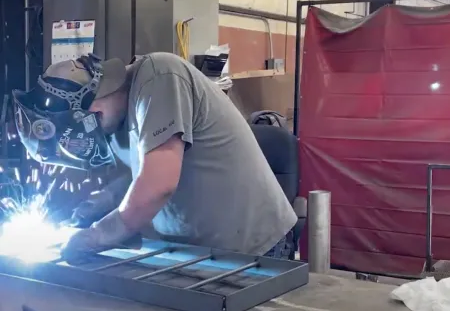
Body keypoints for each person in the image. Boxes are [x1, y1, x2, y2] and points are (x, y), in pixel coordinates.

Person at [13, 52, 298, 259]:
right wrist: (89, 209)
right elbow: (130, 181)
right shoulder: (114, 122)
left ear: (91, 111)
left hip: (254, 250)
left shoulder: (160, 78)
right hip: (192, 254)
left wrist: (98, 235)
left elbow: (157, 184)